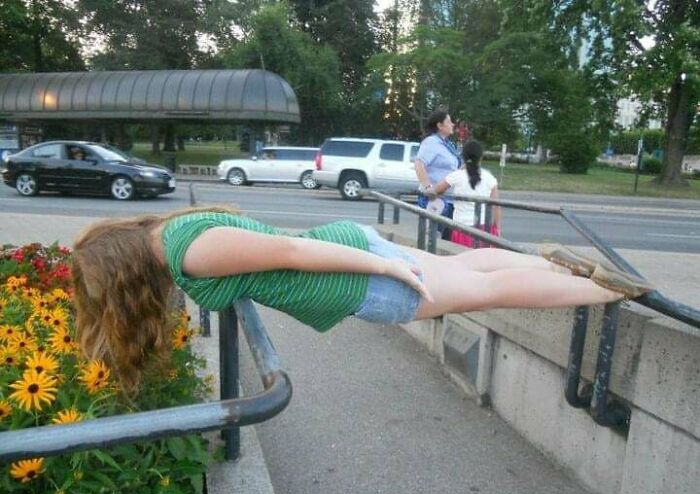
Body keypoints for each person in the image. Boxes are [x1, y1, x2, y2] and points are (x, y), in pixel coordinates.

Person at [71, 206, 653, 392]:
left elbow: (289, 254)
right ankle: (550, 263)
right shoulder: (170, 231)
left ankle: (601, 289)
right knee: (471, 267)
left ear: (122, 272)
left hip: (356, 278)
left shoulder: (187, 251)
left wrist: (386, 264)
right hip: (352, 257)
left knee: (484, 290)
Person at [432, 139, 500, 248]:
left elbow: (436, 190)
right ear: (481, 157)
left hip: (462, 228)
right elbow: (496, 206)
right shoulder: (490, 178)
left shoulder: (457, 175)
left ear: (463, 157)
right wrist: (497, 228)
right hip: (484, 230)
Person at [415, 110, 463, 240]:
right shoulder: (431, 142)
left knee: (447, 240)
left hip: (450, 200)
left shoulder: (447, 145)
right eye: (449, 122)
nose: (452, 124)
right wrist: (428, 187)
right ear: (440, 126)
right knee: (433, 240)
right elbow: (419, 164)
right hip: (437, 201)